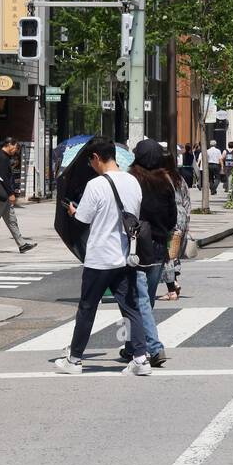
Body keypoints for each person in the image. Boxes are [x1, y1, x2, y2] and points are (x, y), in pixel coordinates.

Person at [55, 138, 150, 376]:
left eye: (90, 160)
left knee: (87, 308)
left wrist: (73, 211)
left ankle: (75, 359)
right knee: (130, 309)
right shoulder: (133, 182)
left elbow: (82, 221)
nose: (91, 165)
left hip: (99, 258)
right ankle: (140, 358)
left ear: (97, 157)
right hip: (125, 255)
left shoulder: (96, 185)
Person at [127, 140, 177, 367]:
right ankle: (132, 345)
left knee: (140, 300)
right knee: (146, 299)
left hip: (137, 247)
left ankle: (154, 348)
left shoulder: (132, 181)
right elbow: (172, 218)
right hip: (159, 246)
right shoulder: (165, 182)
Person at [0, 138, 36, 254]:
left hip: (3, 194)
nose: (16, 151)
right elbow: (4, 178)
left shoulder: (1, 156)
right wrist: (11, 193)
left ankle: (22, 244)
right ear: (10, 144)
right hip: (2, 194)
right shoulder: (2, 158)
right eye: (15, 148)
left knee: (12, 220)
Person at [162, 150, 190, 300]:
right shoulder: (179, 178)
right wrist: (187, 220)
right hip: (182, 216)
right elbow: (187, 200)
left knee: (167, 253)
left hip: (169, 216)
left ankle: (172, 287)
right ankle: (174, 282)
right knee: (174, 252)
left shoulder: (162, 179)